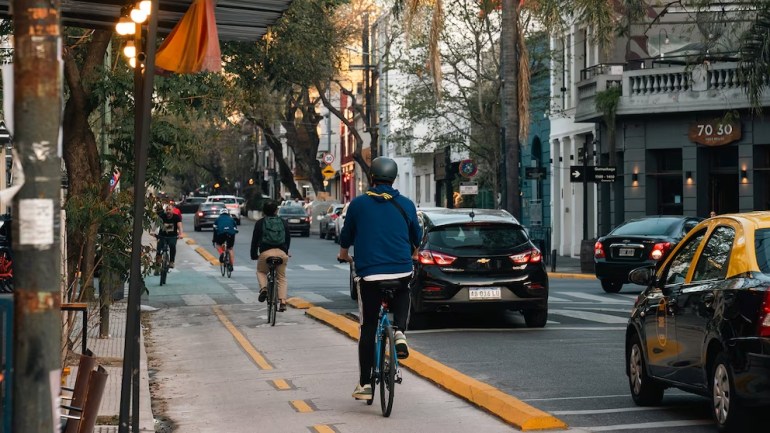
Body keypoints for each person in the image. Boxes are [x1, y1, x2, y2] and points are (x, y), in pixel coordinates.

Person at [337, 156, 422, 401]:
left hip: (370, 274)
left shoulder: (358, 204)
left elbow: (346, 237)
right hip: (400, 269)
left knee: (368, 328)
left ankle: (365, 383)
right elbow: (417, 236)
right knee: (405, 286)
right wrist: (413, 252)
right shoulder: (406, 204)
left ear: (370, 177)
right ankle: (399, 333)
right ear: (394, 178)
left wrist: (344, 255)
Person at [250, 200, 291, 312]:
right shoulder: (283, 222)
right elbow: (287, 238)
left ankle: (264, 289)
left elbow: (254, 241)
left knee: (261, 271)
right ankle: (282, 301)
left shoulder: (260, 223)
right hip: (281, 253)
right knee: (281, 277)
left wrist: (254, 255)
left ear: (263, 211)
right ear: (276, 210)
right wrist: (286, 251)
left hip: (265, 253)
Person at [156, 204, 183, 269]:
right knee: (159, 247)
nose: (168, 211)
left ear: (172, 211)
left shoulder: (176, 217)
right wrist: (153, 231)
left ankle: (171, 261)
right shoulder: (162, 216)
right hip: (162, 236)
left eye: (169, 210)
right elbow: (156, 224)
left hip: (172, 236)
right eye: (167, 210)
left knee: (172, 246)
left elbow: (180, 226)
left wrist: (180, 234)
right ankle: (157, 262)